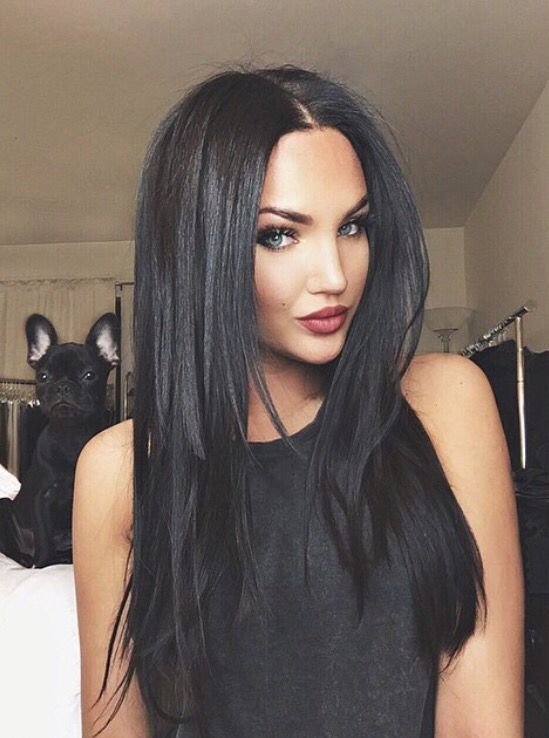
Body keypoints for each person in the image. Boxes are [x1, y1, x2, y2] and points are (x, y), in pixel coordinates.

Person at [72, 66, 524, 738]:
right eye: (279, 234)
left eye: (353, 226)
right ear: (200, 249)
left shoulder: (443, 404)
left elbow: (483, 722)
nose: (335, 275)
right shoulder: (118, 472)